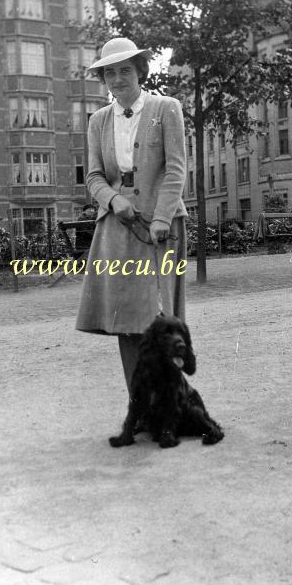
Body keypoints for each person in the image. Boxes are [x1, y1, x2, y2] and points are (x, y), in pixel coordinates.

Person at [75, 37, 187, 399]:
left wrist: (161, 218)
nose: (118, 78)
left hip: (161, 227)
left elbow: (175, 169)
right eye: (110, 73)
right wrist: (112, 199)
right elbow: (93, 176)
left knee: (160, 320)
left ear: (141, 71)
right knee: (126, 321)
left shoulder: (166, 108)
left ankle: (172, 406)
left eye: (125, 70)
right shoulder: (98, 121)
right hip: (117, 229)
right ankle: (141, 406)